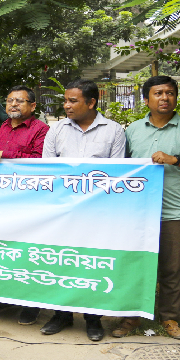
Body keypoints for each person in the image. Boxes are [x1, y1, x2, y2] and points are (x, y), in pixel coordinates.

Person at [114, 75, 180, 340]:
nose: (165, 98)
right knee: (135, 266)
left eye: (169, 93)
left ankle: (170, 318)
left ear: (175, 97)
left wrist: (176, 160)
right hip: (137, 213)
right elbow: (120, 169)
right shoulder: (132, 130)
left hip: (173, 213)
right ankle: (132, 316)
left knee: (171, 269)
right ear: (146, 99)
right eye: (158, 93)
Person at [38, 79, 126, 341]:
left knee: (89, 264)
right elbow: (48, 170)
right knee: (61, 261)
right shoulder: (56, 130)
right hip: (63, 210)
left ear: (91, 102)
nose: (66, 105)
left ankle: (92, 318)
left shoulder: (114, 131)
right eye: (65, 100)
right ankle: (61, 315)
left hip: (96, 212)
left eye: (72, 101)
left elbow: (116, 175)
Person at [0, 85, 49, 320]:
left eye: (20, 101)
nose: (13, 105)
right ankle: (5, 297)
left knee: (28, 253)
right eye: (10, 101)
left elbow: (41, 160)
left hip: (29, 202)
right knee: (4, 251)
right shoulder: (4, 127)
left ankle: (30, 305)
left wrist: (4, 155)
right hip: (2, 200)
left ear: (33, 106)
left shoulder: (41, 129)